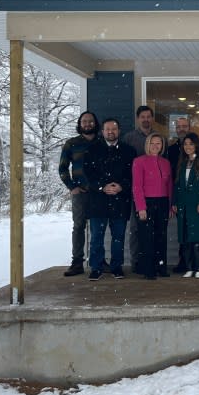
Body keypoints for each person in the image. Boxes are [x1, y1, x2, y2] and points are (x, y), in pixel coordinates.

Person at [84, 118, 136, 280]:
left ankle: (116, 267)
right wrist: (102, 186)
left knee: (118, 238)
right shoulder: (92, 150)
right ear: (102, 131)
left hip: (120, 202)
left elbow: (132, 175)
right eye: (107, 129)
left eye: (114, 129)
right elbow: (88, 174)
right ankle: (96, 267)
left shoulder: (129, 151)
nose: (111, 132)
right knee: (97, 238)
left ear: (119, 131)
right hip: (98, 202)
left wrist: (121, 186)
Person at [58, 111, 99, 277]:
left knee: (98, 227)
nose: (87, 124)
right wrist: (71, 186)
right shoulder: (72, 144)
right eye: (84, 121)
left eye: (90, 121)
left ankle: (98, 259)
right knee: (79, 226)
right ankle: (77, 262)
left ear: (95, 123)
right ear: (79, 124)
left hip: (98, 193)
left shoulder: (101, 142)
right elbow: (62, 168)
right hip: (80, 193)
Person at [172, 133, 199, 278]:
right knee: (186, 238)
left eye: (191, 144)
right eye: (185, 144)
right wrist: (175, 202)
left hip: (198, 204)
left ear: (196, 145)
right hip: (184, 205)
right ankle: (190, 267)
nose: (188, 147)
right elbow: (177, 185)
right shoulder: (182, 162)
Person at [132, 133, 173, 279]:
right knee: (146, 237)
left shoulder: (165, 162)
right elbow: (137, 186)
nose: (155, 146)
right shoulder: (139, 161)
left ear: (162, 146)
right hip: (147, 203)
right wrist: (141, 207)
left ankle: (161, 267)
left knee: (161, 236)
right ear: (147, 145)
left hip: (162, 203)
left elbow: (169, 187)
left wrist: (169, 206)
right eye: (152, 143)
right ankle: (148, 270)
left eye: (159, 143)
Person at [122, 105, 154, 272]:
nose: (146, 119)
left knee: (153, 227)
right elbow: (123, 164)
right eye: (143, 117)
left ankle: (153, 261)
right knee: (135, 227)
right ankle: (136, 261)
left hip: (155, 191)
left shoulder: (158, 137)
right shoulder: (129, 138)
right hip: (136, 190)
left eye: (149, 116)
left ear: (152, 118)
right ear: (138, 118)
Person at [166, 115, 192, 274]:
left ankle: (198, 262)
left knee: (197, 230)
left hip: (194, 195)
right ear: (176, 129)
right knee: (183, 230)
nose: (182, 129)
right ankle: (183, 261)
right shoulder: (171, 150)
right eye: (179, 126)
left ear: (189, 127)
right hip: (179, 194)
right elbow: (170, 176)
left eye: (185, 126)